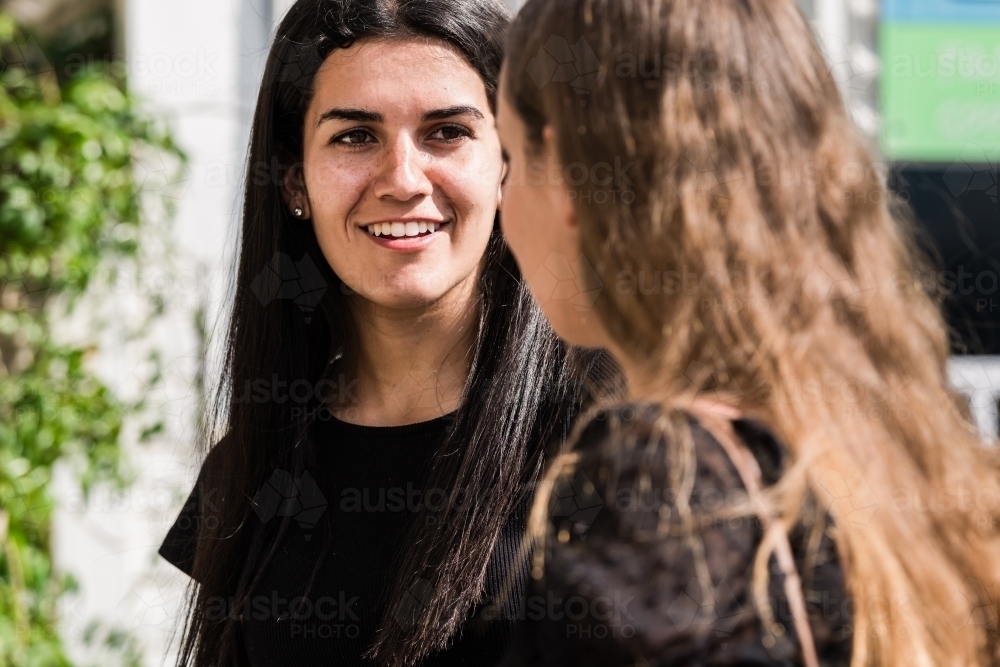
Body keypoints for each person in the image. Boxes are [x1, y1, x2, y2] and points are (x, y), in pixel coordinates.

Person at [494, 0, 1000, 664]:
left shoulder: (666, 491)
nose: (501, 202)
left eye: (509, 157)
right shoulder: (897, 448)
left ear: (565, 175)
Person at [157, 1, 616, 665]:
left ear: (508, 165)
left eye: (447, 132)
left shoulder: (627, 436)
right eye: (355, 137)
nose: (402, 180)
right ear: (293, 179)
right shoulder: (253, 467)